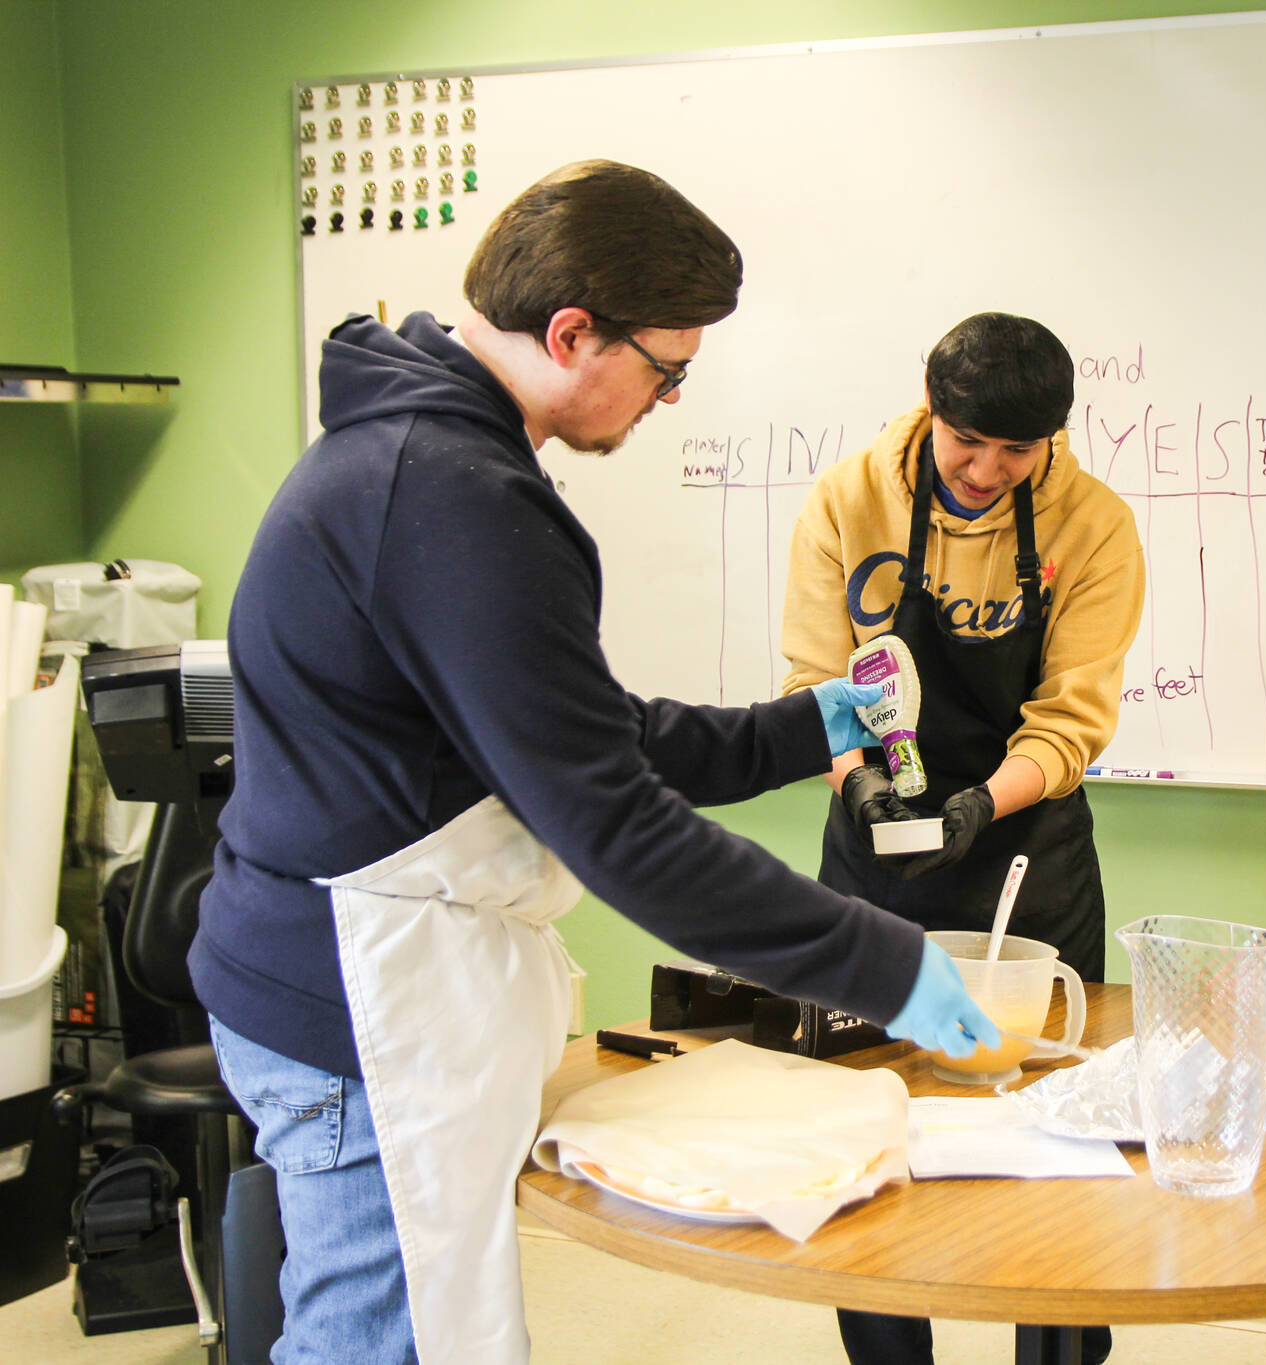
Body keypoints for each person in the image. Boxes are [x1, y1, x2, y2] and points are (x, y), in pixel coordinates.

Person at [190, 160, 998, 1365]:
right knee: (375, 1342)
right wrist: (882, 962)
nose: (670, 399)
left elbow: (588, 732)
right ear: (572, 332)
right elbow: (613, 822)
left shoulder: (420, 456)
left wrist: (808, 724)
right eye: (668, 368)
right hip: (349, 1000)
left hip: (328, 973)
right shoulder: (449, 497)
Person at [780, 311, 1145, 1365]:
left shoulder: (1093, 525)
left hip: (1024, 854)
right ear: (930, 411)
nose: (985, 470)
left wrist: (983, 802)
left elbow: (1072, 714)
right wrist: (853, 789)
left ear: (1052, 439)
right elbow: (817, 677)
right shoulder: (848, 500)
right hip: (872, 846)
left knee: (1058, 1132)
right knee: (868, 1133)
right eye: (964, 442)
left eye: (1014, 451)